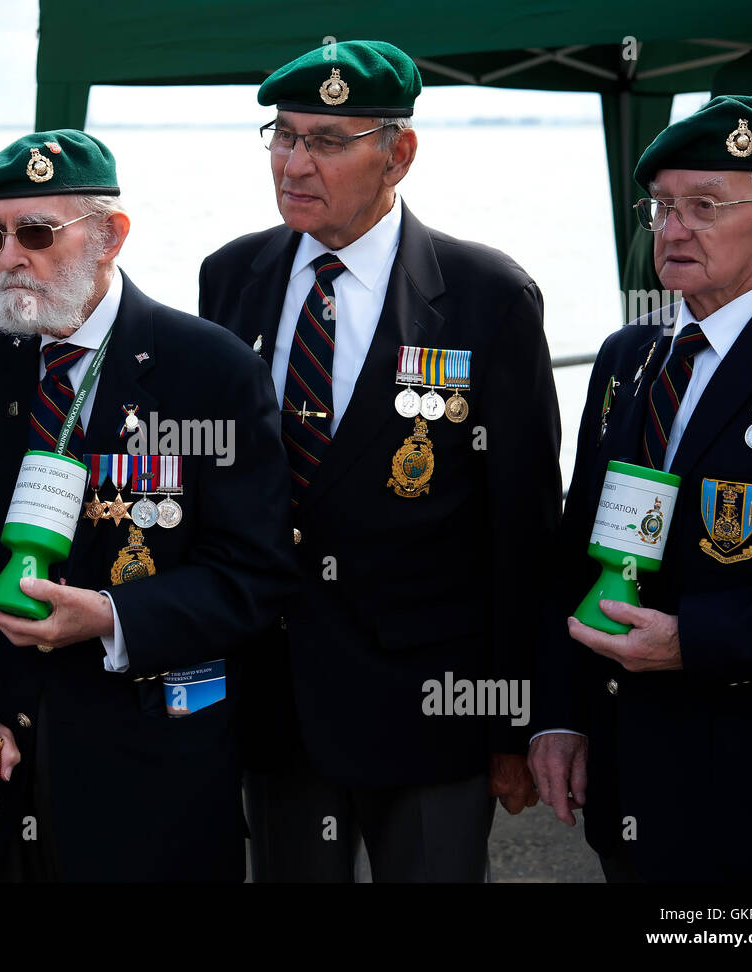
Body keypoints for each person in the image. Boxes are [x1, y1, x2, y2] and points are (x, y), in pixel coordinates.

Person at [198, 40, 562, 881]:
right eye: (282, 135)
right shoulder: (233, 275)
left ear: (397, 152)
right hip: (276, 699)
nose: (294, 162)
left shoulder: (486, 295)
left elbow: (523, 526)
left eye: (327, 140)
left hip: (430, 709)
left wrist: (513, 723)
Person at [0, 130, 295, 882]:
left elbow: (254, 574)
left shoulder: (207, 371)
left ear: (110, 235)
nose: (9, 255)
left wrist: (113, 617)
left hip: (149, 785)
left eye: (36, 233)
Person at [529, 94, 752, 882]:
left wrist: (693, 638)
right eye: (660, 206)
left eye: (704, 205)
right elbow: (578, 551)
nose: (672, 229)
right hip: (632, 771)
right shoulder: (631, 353)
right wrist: (557, 719)